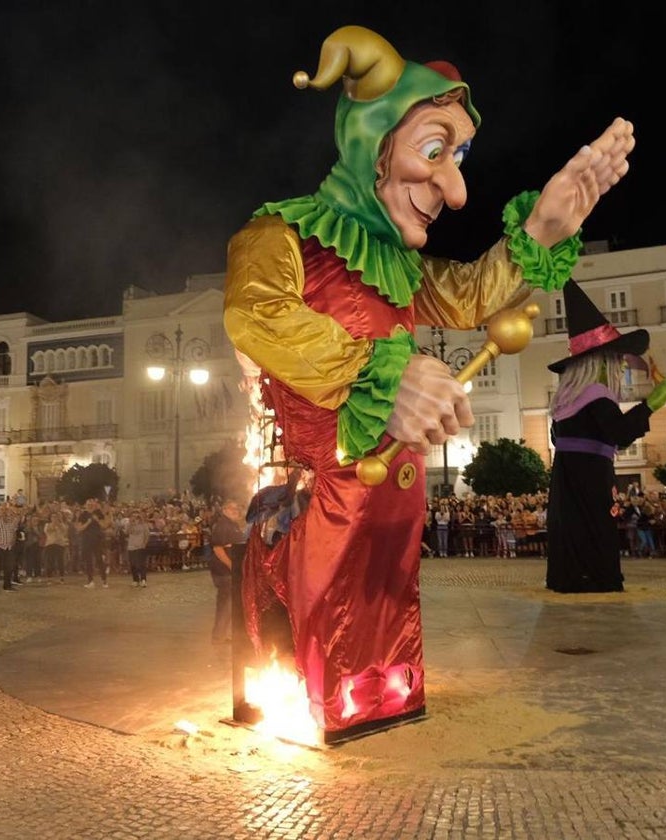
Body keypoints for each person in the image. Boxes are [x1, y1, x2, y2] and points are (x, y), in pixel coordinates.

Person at [224, 25, 635, 737]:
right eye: (435, 152)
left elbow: (476, 294)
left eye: (461, 156)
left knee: (387, 604)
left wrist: (542, 227)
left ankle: (382, 691)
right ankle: (309, 693)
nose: (456, 188)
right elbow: (256, 314)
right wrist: (377, 368)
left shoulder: (403, 268)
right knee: (322, 606)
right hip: (319, 499)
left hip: (394, 499)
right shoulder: (277, 237)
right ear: (370, 147)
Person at [544, 281, 666, 593]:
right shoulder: (598, 395)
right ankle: (596, 577)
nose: (623, 362)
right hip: (592, 476)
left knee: (570, 526)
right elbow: (620, 434)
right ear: (603, 360)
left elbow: (566, 439)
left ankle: (569, 576)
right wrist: (652, 402)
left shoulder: (566, 401)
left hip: (567, 476)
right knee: (596, 525)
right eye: (618, 356)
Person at [209, 499, 245, 644]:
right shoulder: (222, 526)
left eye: (237, 509)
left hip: (228, 571)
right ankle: (218, 637)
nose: (236, 511)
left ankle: (222, 635)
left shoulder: (232, 525)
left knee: (229, 604)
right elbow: (218, 548)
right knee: (225, 604)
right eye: (232, 509)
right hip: (224, 572)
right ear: (224, 510)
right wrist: (231, 566)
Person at [0, 503, 21, 593]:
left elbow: (14, 531)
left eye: (5, 510)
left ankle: (7, 585)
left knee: (9, 567)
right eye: (2, 510)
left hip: (9, 547)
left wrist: (13, 541)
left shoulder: (11, 520)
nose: (4, 511)